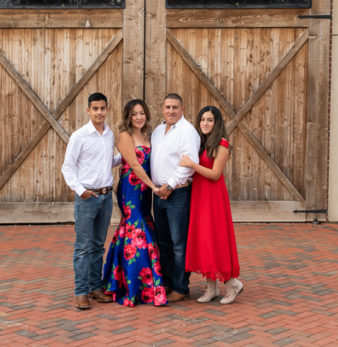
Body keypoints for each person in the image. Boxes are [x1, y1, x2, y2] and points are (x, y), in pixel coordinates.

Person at [101, 99, 168, 307]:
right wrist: (154, 187)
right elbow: (135, 166)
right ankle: (135, 287)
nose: (139, 117)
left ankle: (126, 280)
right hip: (131, 189)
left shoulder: (148, 135)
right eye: (134, 114)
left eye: (142, 113)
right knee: (137, 231)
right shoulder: (124, 136)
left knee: (136, 228)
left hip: (145, 191)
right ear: (128, 117)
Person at [180, 105, 243, 304]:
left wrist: (192, 165)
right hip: (199, 195)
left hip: (213, 197)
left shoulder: (222, 143)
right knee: (204, 238)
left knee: (216, 238)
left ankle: (232, 283)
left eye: (209, 120)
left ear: (216, 123)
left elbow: (215, 174)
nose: (205, 124)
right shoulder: (200, 143)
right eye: (202, 120)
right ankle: (211, 285)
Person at [61, 92, 116, 310]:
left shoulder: (110, 134)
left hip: (106, 196)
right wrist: (80, 190)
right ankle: (81, 291)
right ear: (88, 110)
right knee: (83, 246)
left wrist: (131, 156)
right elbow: (68, 167)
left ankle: (95, 287)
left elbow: (108, 161)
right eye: (95, 108)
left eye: (103, 108)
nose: (99, 112)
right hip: (87, 197)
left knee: (97, 246)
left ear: (107, 109)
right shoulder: (80, 136)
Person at [149, 92, 201, 302]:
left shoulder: (187, 131)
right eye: (167, 107)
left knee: (179, 243)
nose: (171, 111)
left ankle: (181, 287)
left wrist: (170, 186)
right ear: (162, 109)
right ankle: (168, 282)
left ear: (182, 109)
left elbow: (189, 164)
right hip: (158, 193)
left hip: (177, 193)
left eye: (175, 107)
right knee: (163, 242)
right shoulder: (158, 130)